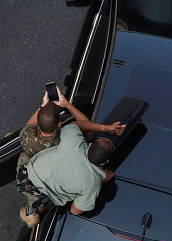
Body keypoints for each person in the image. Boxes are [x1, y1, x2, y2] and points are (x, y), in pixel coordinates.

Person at [16, 88, 124, 225]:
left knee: (26, 153)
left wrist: (106, 128)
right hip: (41, 194)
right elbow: (74, 211)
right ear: (105, 162)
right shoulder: (93, 185)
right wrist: (100, 179)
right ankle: (33, 211)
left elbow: (81, 125)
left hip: (24, 175)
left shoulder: (72, 139)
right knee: (48, 198)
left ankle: (33, 209)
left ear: (91, 145)